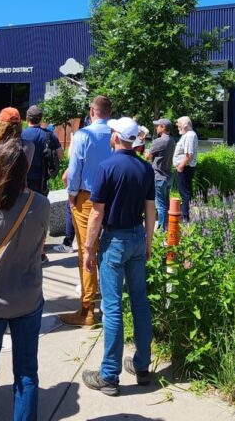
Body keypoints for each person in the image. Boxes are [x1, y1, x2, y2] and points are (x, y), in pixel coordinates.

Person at [0, 140, 50, 421]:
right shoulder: (41, 204)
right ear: (27, 168)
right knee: (27, 371)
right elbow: (40, 246)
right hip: (28, 297)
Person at [80, 117, 156, 396]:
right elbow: (151, 209)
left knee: (112, 307)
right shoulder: (145, 168)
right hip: (137, 237)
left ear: (115, 138)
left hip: (114, 241)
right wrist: (149, 241)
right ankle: (142, 366)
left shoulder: (106, 167)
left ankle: (109, 375)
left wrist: (89, 248)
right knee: (140, 301)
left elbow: (97, 212)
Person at [60, 95, 113, 327]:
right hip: (111, 198)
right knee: (107, 251)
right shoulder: (115, 135)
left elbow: (75, 167)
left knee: (86, 251)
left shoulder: (83, 135)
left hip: (87, 198)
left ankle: (87, 310)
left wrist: (71, 195)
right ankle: (109, 304)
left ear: (91, 111)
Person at [20, 104, 62, 196]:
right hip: (42, 183)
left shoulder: (21, 134)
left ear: (27, 118)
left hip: (23, 182)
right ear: (41, 119)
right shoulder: (49, 135)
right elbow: (61, 155)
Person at [145, 119, 175, 231]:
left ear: (163, 127)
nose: (156, 128)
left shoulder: (159, 141)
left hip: (159, 176)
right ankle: (167, 226)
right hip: (168, 176)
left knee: (160, 205)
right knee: (166, 203)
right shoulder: (172, 140)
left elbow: (147, 156)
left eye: (157, 126)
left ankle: (162, 229)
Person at [172, 116, 198, 222]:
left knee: (185, 193)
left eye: (179, 125)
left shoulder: (189, 136)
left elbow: (189, 155)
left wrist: (181, 166)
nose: (177, 127)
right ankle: (185, 216)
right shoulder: (187, 135)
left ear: (185, 125)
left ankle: (185, 217)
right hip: (184, 168)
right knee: (185, 192)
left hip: (185, 168)